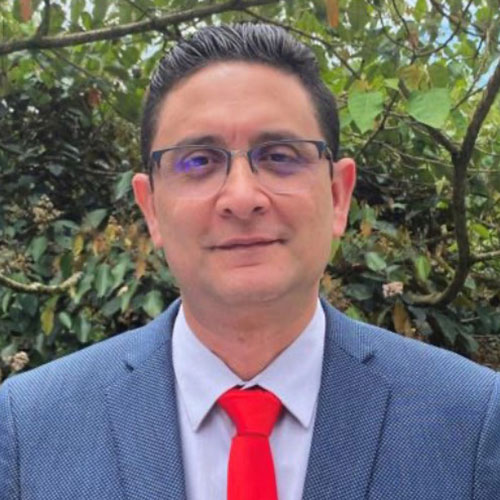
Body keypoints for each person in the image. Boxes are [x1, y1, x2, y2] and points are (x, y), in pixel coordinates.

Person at [0, 23, 499, 500]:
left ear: (338, 196)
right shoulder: (28, 427)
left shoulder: (473, 420)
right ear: (150, 208)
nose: (242, 198)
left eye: (280, 156)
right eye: (198, 161)